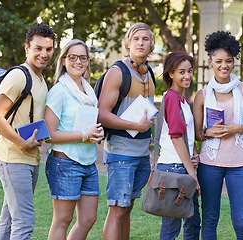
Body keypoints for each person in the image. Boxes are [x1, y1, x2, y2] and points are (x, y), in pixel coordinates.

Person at [0, 23, 56, 239]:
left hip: (27, 156)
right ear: (27, 48)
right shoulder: (19, 76)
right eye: (38, 48)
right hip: (12, 157)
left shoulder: (41, 79)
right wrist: (21, 142)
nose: (44, 54)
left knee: (9, 219)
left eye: (49, 49)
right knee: (24, 222)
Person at [193, 31, 243, 240]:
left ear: (234, 61)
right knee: (209, 219)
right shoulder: (201, 95)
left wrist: (235, 128)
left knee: (241, 222)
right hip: (210, 163)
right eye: (218, 61)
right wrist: (208, 132)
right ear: (210, 62)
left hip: (240, 163)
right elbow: (196, 134)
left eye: (228, 61)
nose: (224, 65)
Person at [98, 22, 156, 240]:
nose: (140, 43)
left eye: (145, 39)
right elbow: (102, 114)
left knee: (128, 208)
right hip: (121, 152)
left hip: (141, 153)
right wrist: (136, 126)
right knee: (117, 210)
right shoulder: (117, 72)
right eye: (136, 39)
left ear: (151, 44)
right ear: (127, 43)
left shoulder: (149, 72)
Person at [44, 39, 104, 239]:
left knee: (88, 219)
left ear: (87, 61)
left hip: (88, 162)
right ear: (63, 60)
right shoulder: (58, 92)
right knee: (62, 220)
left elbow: (87, 125)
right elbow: (49, 135)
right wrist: (84, 134)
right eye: (73, 57)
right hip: (64, 163)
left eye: (83, 58)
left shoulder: (88, 91)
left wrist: (95, 133)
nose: (78, 61)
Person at [157, 51, 201, 240]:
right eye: (181, 72)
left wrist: (194, 153)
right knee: (172, 227)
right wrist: (192, 174)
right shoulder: (172, 97)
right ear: (171, 74)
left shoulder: (181, 99)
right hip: (174, 168)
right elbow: (176, 137)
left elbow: (186, 135)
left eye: (189, 71)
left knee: (192, 221)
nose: (187, 76)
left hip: (182, 165)